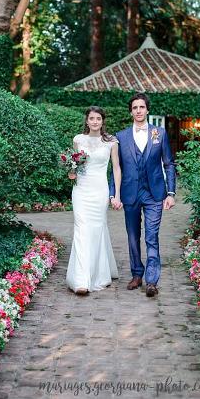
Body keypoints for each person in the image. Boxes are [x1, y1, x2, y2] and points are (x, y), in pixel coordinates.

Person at [109, 93, 176, 298]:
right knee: (132, 237)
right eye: (135, 107)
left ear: (147, 110)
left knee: (151, 236)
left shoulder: (160, 133)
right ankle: (137, 274)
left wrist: (171, 193)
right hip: (130, 193)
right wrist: (114, 194)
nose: (138, 111)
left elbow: (169, 164)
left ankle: (152, 281)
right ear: (131, 111)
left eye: (142, 107)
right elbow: (115, 168)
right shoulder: (120, 137)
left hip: (155, 193)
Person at [66, 107, 120, 295]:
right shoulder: (78, 140)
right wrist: (71, 172)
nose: (95, 121)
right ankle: (81, 280)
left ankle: (100, 272)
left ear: (102, 121)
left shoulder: (112, 142)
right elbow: (74, 166)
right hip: (81, 190)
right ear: (87, 121)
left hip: (99, 190)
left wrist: (117, 195)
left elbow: (116, 169)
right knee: (81, 229)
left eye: (98, 118)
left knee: (97, 228)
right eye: (92, 118)